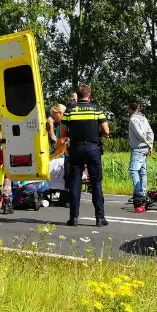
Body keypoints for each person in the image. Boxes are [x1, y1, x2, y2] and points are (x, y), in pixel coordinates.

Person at [59, 83, 109, 226]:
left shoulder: (70, 110)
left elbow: (62, 133)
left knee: (75, 183)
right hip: (93, 148)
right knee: (96, 182)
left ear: (78, 95)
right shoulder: (96, 109)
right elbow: (106, 131)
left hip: (76, 149)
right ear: (89, 96)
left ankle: (73, 218)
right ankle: (100, 218)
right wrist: (95, 134)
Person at [126, 102, 154, 213]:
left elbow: (139, 133)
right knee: (142, 172)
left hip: (138, 148)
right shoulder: (144, 118)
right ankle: (142, 193)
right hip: (145, 148)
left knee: (133, 170)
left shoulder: (133, 119)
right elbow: (150, 132)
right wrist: (150, 144)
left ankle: (138, 194)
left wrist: (146, 142)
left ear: (130, 108)